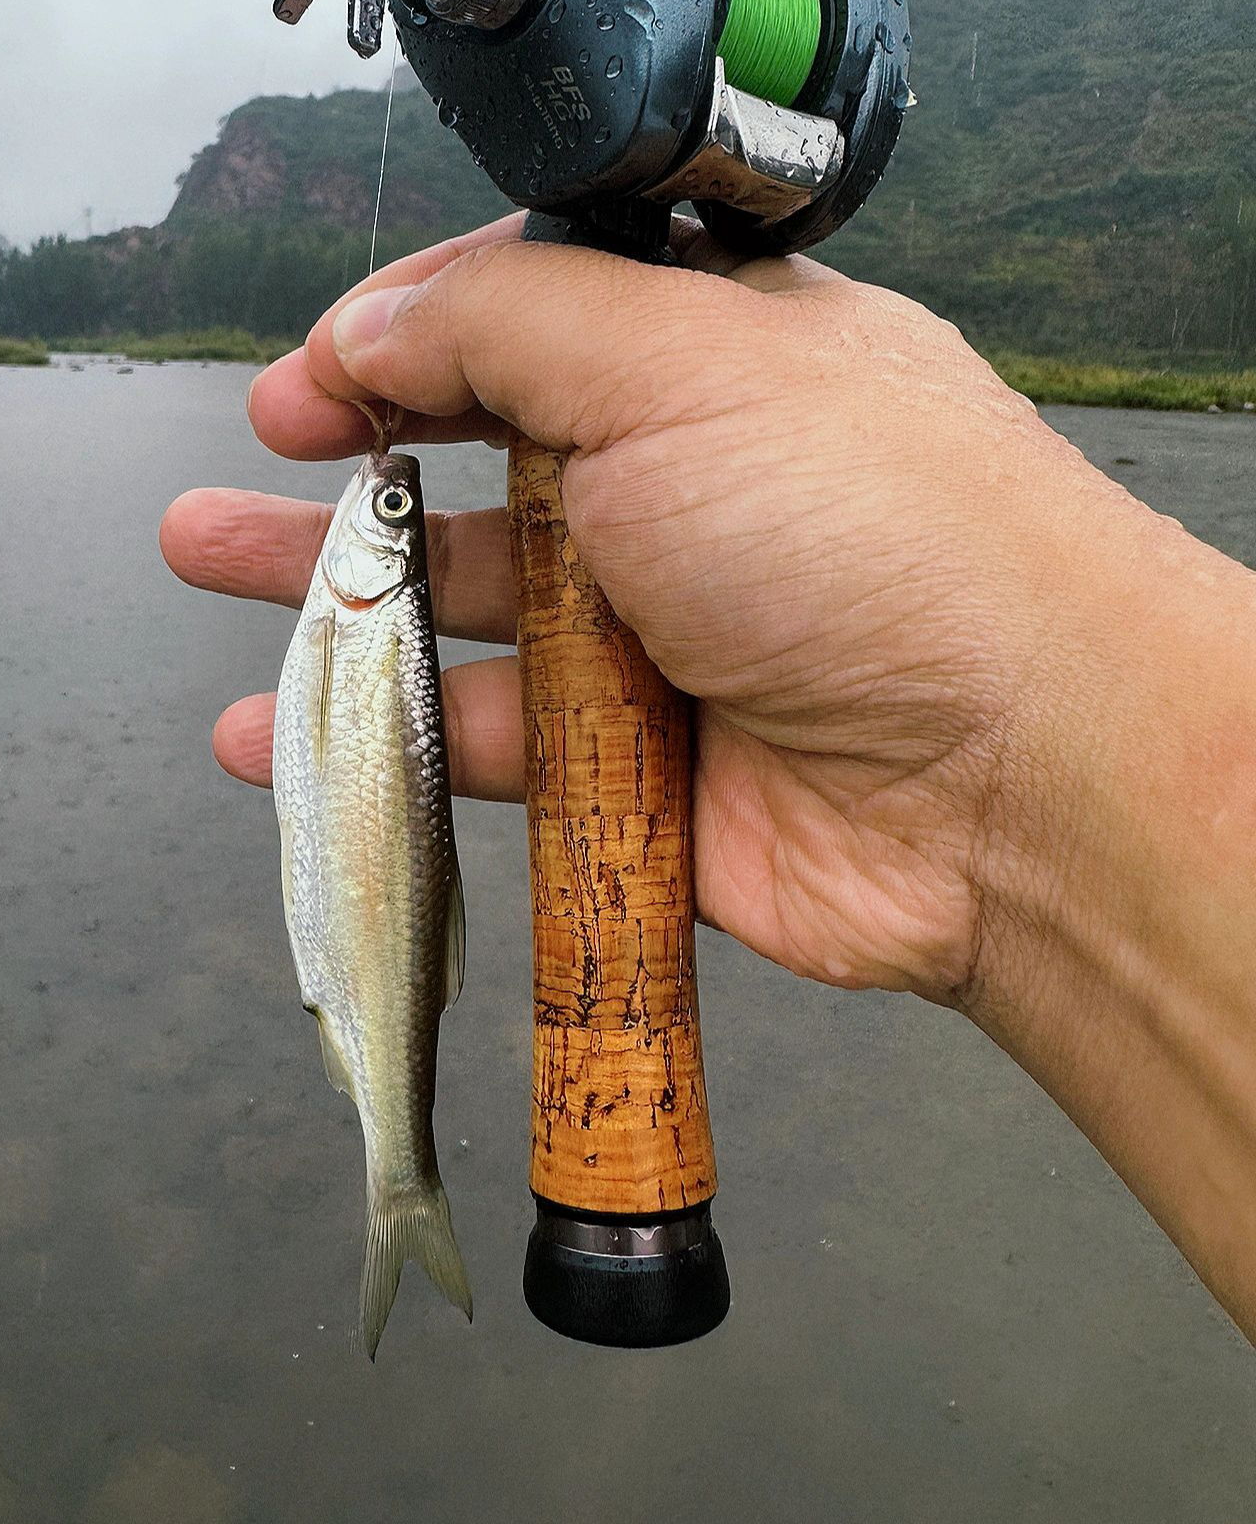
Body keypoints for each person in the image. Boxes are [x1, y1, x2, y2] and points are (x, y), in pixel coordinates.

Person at [160, 214, 1256, 1345]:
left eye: (396, 510)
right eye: (400, 510)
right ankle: (405, 1176)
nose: (390, 499)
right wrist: (996, 787)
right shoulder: (378, 611)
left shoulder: (363, 610)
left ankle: (403, 1182)